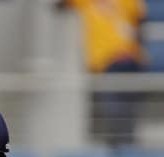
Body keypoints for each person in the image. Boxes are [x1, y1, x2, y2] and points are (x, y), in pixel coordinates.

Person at [56, 0, 146, 145]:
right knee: (114, 111)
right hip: (106, 61)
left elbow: (139, 22)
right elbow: (59, 6)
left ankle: (126, 150)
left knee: (124, 110)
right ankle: (120, 150)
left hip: (127, 59)